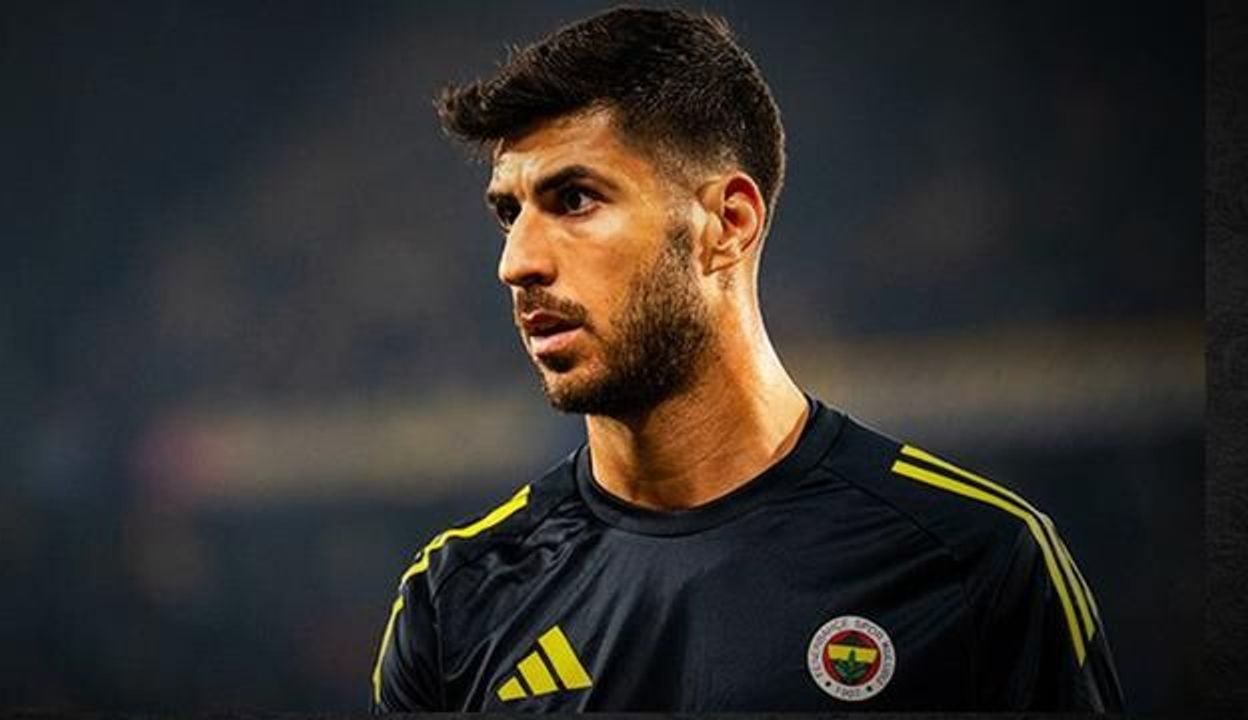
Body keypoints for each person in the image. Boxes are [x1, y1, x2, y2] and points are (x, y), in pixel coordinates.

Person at [371, 6, 1123, 712]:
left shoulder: (972, 562)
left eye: (574, 200)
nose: (517, 262)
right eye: (509, 213)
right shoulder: (456, 600)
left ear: (727, 223)